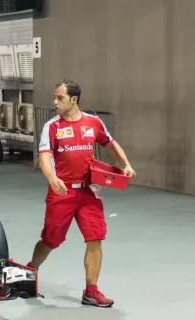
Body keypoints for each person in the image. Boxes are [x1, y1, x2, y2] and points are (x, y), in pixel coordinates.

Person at [28, 79, 136, 308]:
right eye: (54, 97)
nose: (54, 102)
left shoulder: (93, 122)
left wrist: (125, 164)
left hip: (89, 192)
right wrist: (51, 177)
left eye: (60, 98)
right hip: (62, 192)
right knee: (51, 239)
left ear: (74, 100)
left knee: (95, 238)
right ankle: (30, 272)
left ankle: (91, 291)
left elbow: (111, 143)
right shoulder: (52, 127)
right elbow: (45, 157)